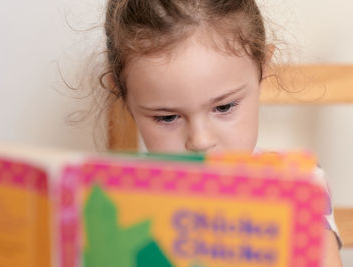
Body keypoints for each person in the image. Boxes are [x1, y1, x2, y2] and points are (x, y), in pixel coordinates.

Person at [94, 0, 342, 265]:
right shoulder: (119, 199)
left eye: (224, 107)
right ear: (122, 95)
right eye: (167, 117)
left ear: (262, 71)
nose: (200, 141)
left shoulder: (296, 185)